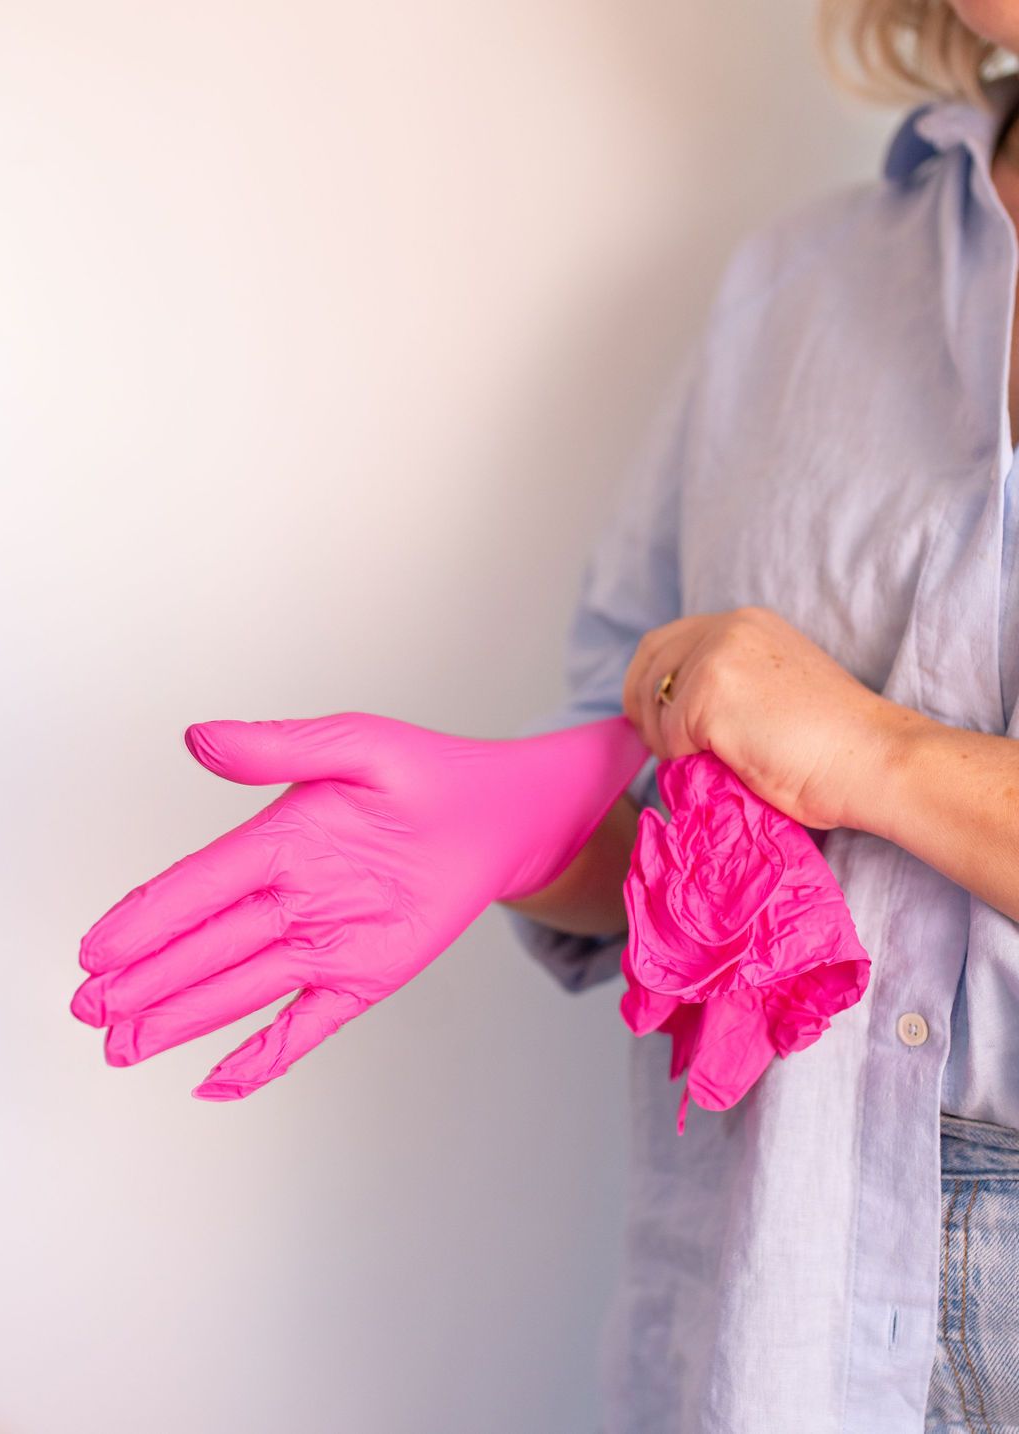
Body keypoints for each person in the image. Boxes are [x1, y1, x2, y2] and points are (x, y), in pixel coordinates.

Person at [497, 3, 1019, 1430]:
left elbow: (831, 750)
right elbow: (633, 815)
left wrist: (872, 755)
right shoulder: (795, 288)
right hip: (782, 1269)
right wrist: (483, 827)